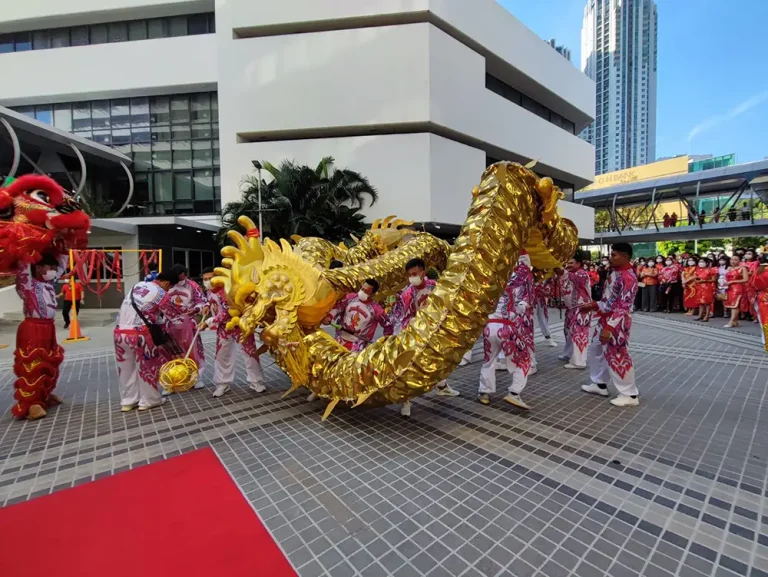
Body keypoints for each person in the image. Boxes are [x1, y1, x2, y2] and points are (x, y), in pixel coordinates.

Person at [392, 258, 460, 416]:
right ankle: (406, 401)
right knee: (409, 367)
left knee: (440, 359)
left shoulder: (435, 287)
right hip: (414, 334)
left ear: (423, 272)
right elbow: (400, 317)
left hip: (435, 332)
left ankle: (442, 386)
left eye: (415, 274)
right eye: (409, 275)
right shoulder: (407, 294)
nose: (412, 277)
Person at [11, 252, 69, 420]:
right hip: (32, 328)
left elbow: (63, 262)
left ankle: (43, 395)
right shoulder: (27, 285)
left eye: (53, 268)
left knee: (49, 363)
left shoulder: (49, 283)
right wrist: (26, 247)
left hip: (48, 328)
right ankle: (30, 404)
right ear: (38, 268)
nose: (53, 271)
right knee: (32, 365)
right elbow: (23, 267)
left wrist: (62, 245)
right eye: (49, 268)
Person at [581, 243, 639, 407]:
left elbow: (624, 306)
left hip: (617, 322)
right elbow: (609, 300)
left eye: (614, 255)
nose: (610, 258)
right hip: (605, 318)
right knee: (596, 349)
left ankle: (630, 394)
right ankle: (599, 384)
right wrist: (594, 305)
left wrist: (609, 327)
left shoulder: (629, 277)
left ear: (625, 257)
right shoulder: (614, 273)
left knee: (618, 355)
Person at [114, 271, 181, 411]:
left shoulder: (139, 285)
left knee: (126, 369)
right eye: (169, 287)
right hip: (140, 334)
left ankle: (128, 401)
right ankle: (149, 400)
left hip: (120, 333)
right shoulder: (161, 294)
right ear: (167, 283)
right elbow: (173, 317)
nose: (168, 290)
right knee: (147, 368)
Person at [478, 254, 535, 409]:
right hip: (507, 327)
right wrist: (525, 307)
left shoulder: (493, 277)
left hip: (489, 327)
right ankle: (514, 393)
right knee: (524, 359)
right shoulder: (524, 278)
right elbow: (522, 305)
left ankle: (484, 392)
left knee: (489, 361)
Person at [202, 268, 267, 398]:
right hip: (223, 330)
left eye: (211, 278)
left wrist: (208, 322)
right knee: (222, 356)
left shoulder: (226, 290)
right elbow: (213, 304)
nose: (208, 281)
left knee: (250, 354)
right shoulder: (210, 292)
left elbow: (227, 312)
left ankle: (256, 381)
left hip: (240, 326)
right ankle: (222, 383)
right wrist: (207, 306)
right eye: (205, 279)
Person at [166, 263, 208, 392]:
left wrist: (196, 309)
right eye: (178, 278)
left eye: (183, 277)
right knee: (172, 352)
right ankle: (172, 380)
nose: (181, 280)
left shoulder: (192, 286)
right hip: (170, 324)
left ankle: (196, 378)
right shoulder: (167, 286)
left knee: (193, 350)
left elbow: (202, 301)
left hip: (189, 322)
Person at [325, 279, 393, 351]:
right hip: (340, 340)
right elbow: (338, 307)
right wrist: (329, 316)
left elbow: (388, 326)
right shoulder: (350, 298)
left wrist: (386, 342)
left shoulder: (377, 310)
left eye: (366, 291)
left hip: (358, 347)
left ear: (372, 294)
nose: (362, 292)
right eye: (362, 289)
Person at [557, 258, 592, 369]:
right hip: (571, 309)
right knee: (568, 332)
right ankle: (568, 354)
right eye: (568, 262)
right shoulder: (570, 274)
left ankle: (579, 362)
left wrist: (563, 272)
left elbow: (576, 280)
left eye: (572, 263)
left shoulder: (582, 274)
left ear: (579, 263)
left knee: (579, 334)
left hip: (582, 308)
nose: (569, 265)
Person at [724, 255, 749, 328]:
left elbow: (746, 279)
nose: (733, 261)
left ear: (739, 261)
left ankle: (731, 321)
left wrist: (732, 281)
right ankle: (736, 321)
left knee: (735, 305)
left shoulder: (742, 268)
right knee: (732, 305)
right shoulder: (729, 268)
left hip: (737, 288)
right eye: (731, 260)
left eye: (735, 260)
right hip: (729, 288)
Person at [749, 257, 768, 351]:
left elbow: (752, 284)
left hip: (761, 297)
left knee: (763, 320)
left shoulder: (757, 271)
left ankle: (765, 341)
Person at [534, 277, 558, 348]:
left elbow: (550, 283)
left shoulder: (549, 272)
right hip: (528, 297)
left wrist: (546, 290)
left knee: (543, 317)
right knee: (530, 318)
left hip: (540, 297)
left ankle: (548, 337)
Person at [743, 249, 759, 321]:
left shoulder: (755, 263)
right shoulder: (742, 263)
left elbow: (752, 272)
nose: (747, 255)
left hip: (750, 283)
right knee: (743, 300)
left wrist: (741, 274)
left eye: (749, 253)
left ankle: (755, 316)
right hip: (742, 284)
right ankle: (745, 314)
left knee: (752, 300)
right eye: (746, 253)